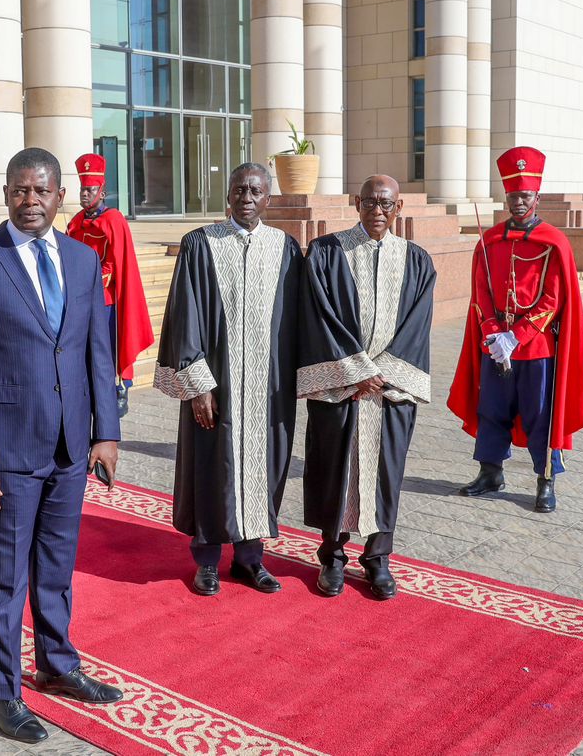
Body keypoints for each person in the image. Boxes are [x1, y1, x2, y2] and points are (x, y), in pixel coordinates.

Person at [0, 147, 123, 744]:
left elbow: (98, 351)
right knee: (3, 575)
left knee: (56, 567)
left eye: (41, 190)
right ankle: (0, 691)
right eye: (20, 190)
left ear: (60, 194)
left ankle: (57, 665)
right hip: (7, 453)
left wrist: (106, 433)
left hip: (70, 447)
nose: (31, 200)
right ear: (6, 193)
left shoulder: (81, 260)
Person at [154, 162, 303, 597]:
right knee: (211, 467)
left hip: (267, 388)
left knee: (263, 466)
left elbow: (299, 321)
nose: (247, 197)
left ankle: (250, 559)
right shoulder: (200, 244)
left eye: (256, 190)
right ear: (228, 195)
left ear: (268, 199)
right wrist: (198, 385)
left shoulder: (286, 250)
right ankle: (206, 560)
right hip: (217, 388)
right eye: (240, 189)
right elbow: (185, 316)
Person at [296, 175, 436, 599]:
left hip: (390, 391)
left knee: (386, 474)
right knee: (332, 469)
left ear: (399, 207)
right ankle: (332, 558)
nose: (378, 210)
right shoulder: (325, 253)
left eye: (387, 204)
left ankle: (378, 560)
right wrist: (357, 370)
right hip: (340, 387)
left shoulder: (417, 261)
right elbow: (317, 315)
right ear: (357, 203)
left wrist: (383, 373)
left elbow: (418, 327)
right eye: (371, 202)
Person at [447, 146, 583, 512]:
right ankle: (490, 472)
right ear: (507, 196)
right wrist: (493, 332)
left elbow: (553, 299)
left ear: (537, 196)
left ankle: (545, 479)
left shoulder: (554, 242)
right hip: (495, 343)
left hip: (535, 348)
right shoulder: (490, 241)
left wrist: (517, 336)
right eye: (514, 195)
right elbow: (481, 292)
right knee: (492, 409)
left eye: (525, 195)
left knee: (540, 415)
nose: (519, 202)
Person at [65, 152, 155, 416]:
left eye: (90, 190)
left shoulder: (114, 220)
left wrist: (88, 278)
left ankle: (120, 387)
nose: (84, 194)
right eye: (82, 189)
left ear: (101, 192)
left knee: (108, 348)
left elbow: (115, 263)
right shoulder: (76, 221)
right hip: (78, 296)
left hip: (105, 297)